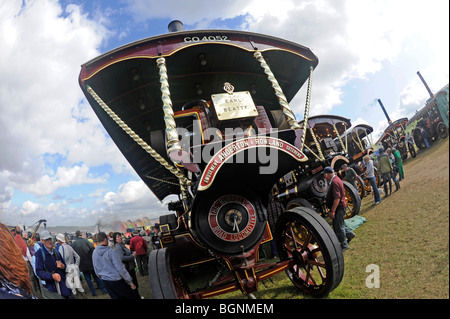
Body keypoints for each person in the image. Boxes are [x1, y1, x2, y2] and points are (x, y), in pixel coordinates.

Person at [92, 232, 140, 299]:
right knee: (129, 295)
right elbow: (120, 268)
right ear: (105, 239)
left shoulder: (94, 252)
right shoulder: (110, 252)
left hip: (105, 281)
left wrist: (102, 277)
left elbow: (95, 268)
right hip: (115, 280)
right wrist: (130, 281)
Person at [0, 223, 36, 299]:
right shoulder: (23, 242)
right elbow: (29, 256)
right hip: (22, 265)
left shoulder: (15, 239)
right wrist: (33, 267)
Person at [323, 167, 355, 251]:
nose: (324, 177)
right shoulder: (337, 179)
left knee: (338, 226)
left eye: (325, 175)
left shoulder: (334, 182)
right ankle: (350, 234)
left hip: (339, 207)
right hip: (340, 206)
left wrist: (333, 211)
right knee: (339, 224)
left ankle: (344, 244)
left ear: (328, 174)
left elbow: (337, 198)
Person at [35, 230, 73, 299]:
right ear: (42, 241)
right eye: (46, 240)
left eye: (49, 239)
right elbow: (39, 272)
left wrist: (62, 266)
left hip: (63, 284)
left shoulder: (56, 251)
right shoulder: (39, 253)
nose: (49, 241)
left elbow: (64, 266)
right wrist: (52, 276)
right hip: (52, 288)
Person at [71, 230, 107, 296]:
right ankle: (104, 290)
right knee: (96, 276)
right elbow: (93, 249)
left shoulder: (73, 244)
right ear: (81, 235)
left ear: (76, 235)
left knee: (88, 279)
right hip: (90, 262)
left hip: (82, 264)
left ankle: (93, 292)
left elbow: (73, 254)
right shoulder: (86, 241)